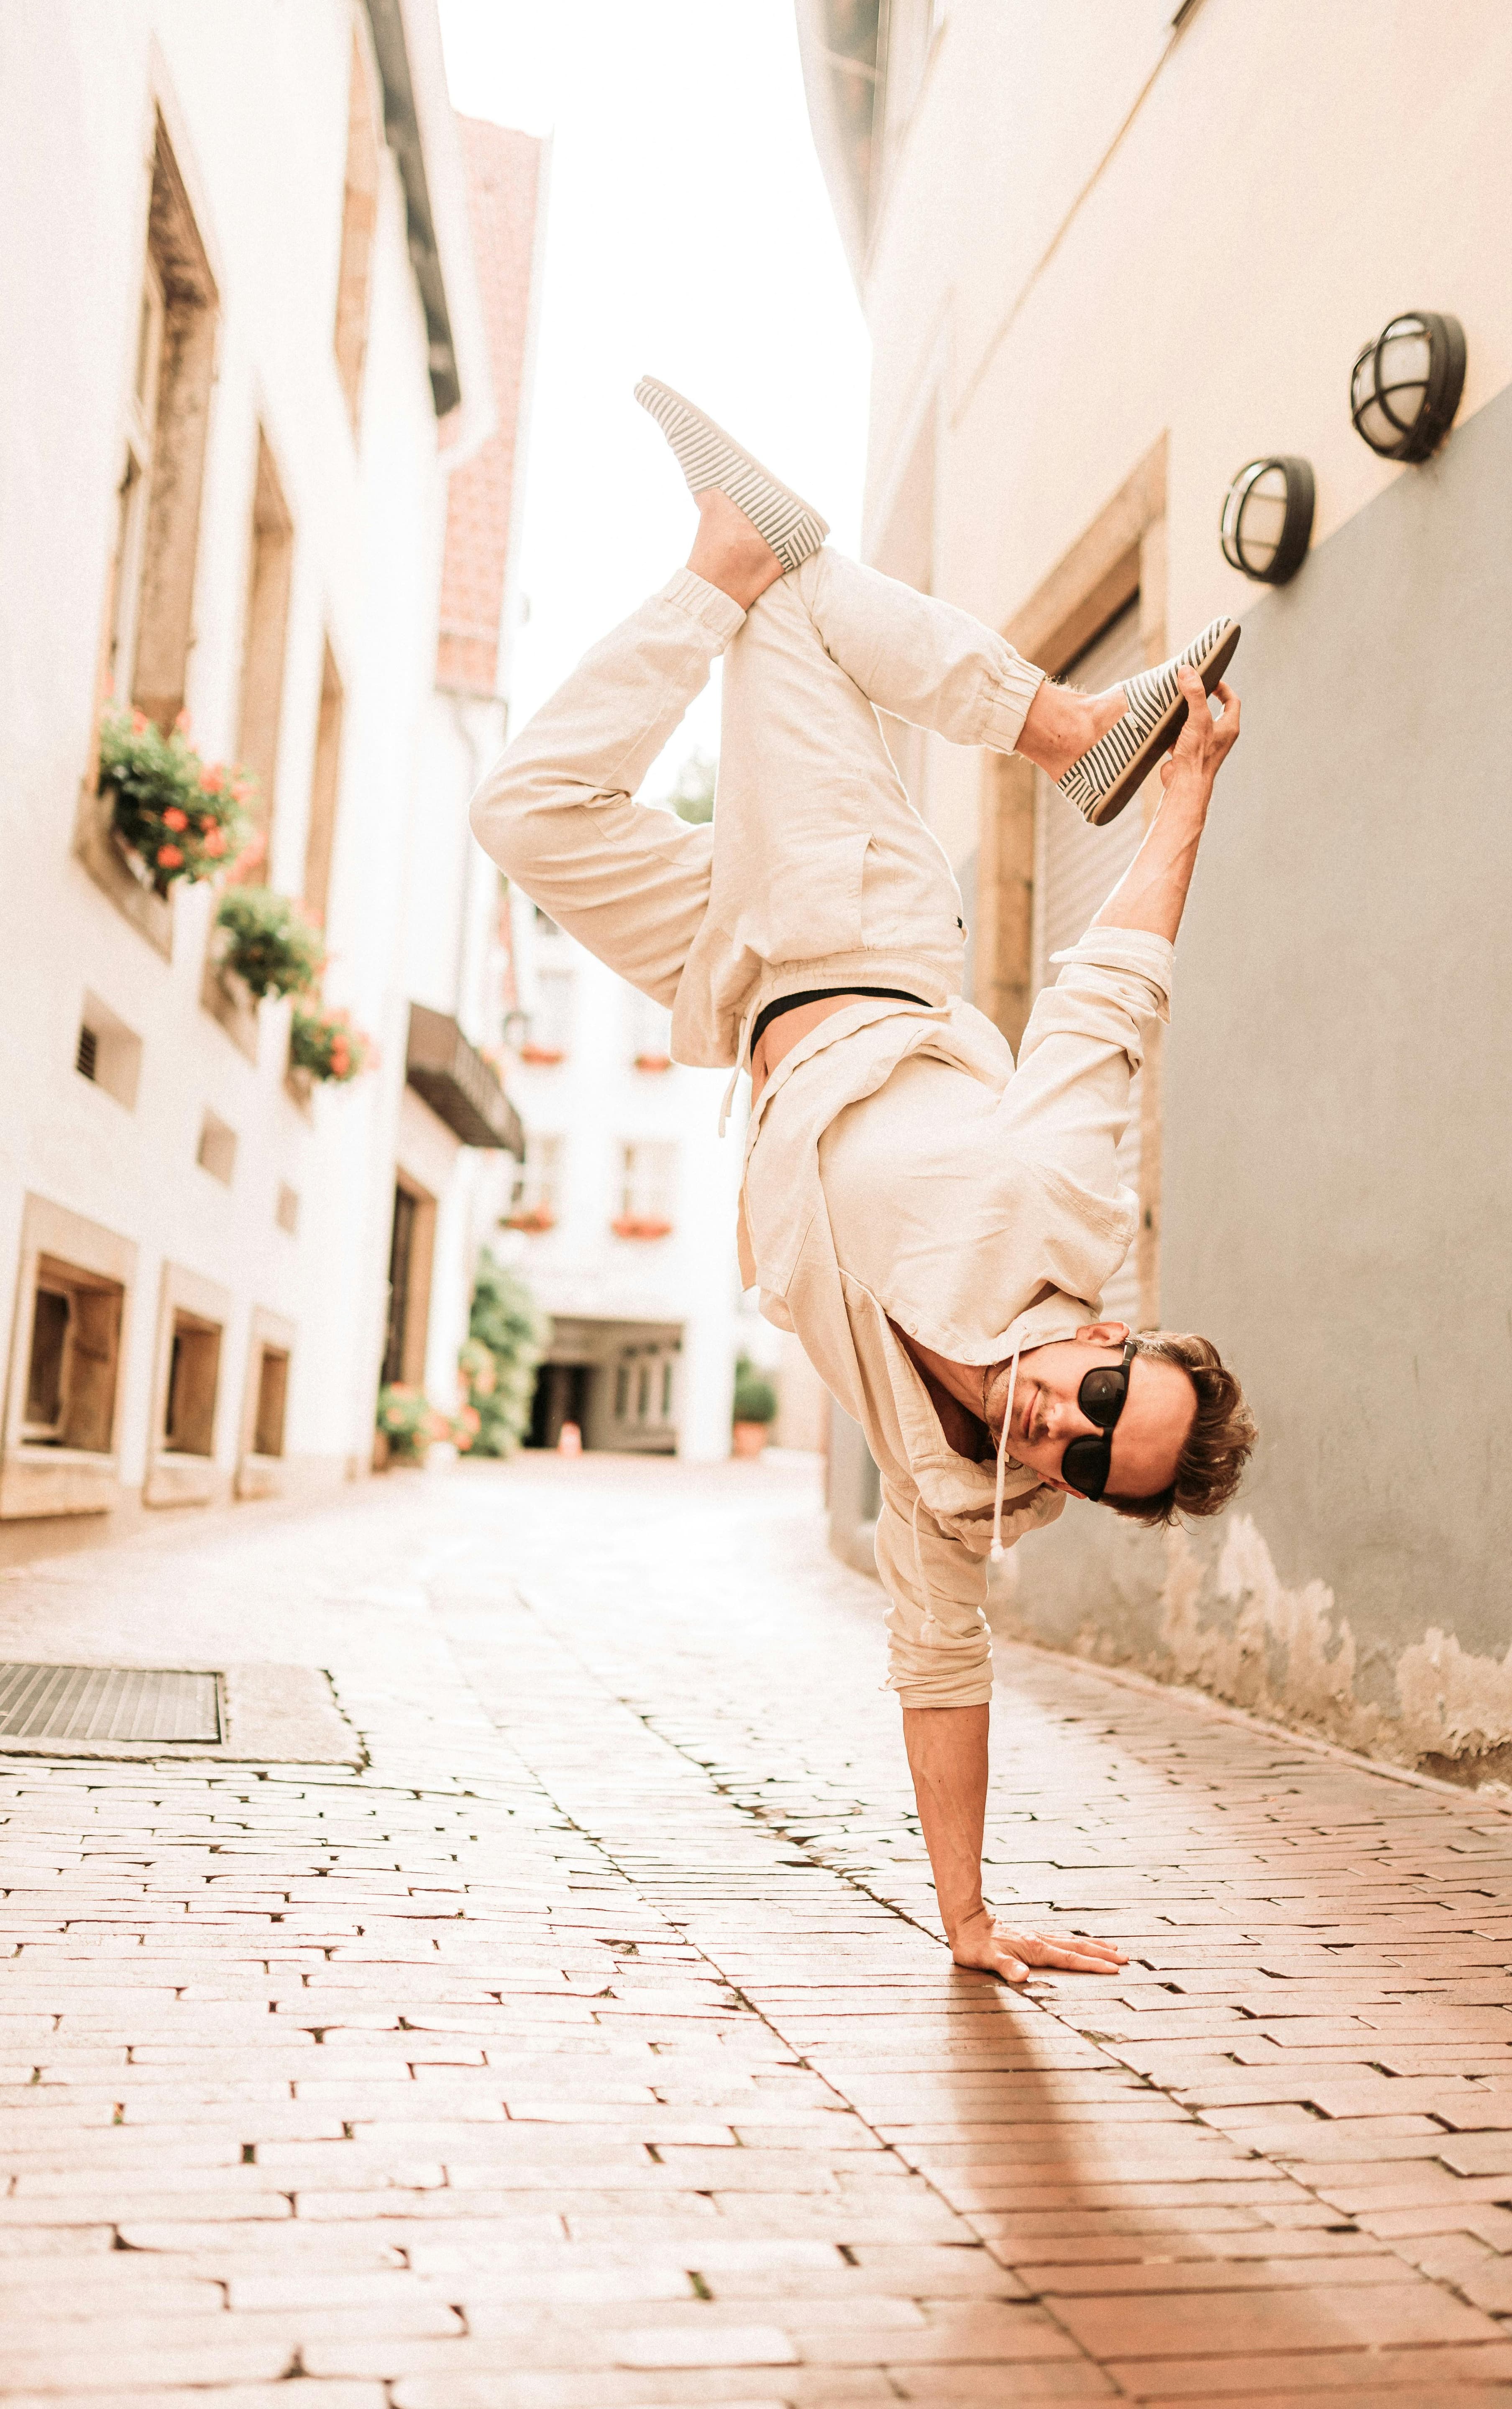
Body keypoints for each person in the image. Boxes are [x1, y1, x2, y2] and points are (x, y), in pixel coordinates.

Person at [470, 381, 1256, 1987]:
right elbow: (1117, 995)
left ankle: (732, 559)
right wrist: (1183, 790)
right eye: (1113, 1393)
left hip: (745, 976)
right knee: (785, 605)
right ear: (1121, 1336)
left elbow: (940, 1663)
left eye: (1100, 1461)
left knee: (525, 810)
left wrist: (968, 1923)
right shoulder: (1065, 1214)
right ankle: (1068, 733)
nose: (1076, 1423)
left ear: (1086, 1493)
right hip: (860, 932)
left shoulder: (955, 1486)